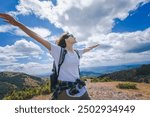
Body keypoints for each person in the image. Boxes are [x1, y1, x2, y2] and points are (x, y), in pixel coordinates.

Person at [0, 13, 99, 100]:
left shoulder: (78, 52)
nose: (74, 36)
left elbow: (87, 49)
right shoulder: (58, 51)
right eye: (71, 35)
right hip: (66, 92)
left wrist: (95, 45)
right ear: (66, 39)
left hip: (81, 89)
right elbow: (36, 36)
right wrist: (17, 23)